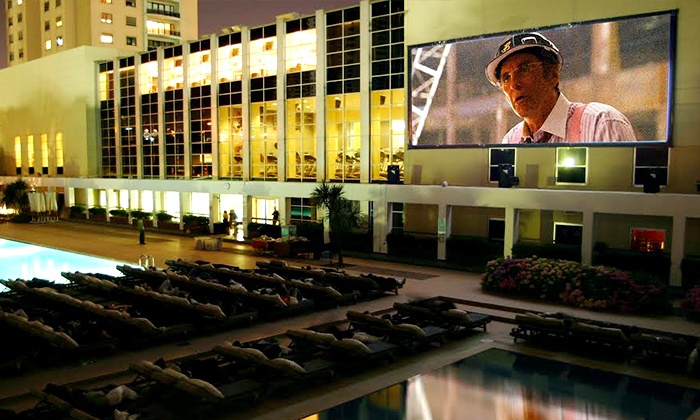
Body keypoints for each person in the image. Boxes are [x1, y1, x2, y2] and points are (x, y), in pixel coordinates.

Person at [485, 32, 636, 144]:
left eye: (524, 69)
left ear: (552, 74)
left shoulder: (601, 123)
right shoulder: (511, 140)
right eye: (506, 78)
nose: (513, 84)